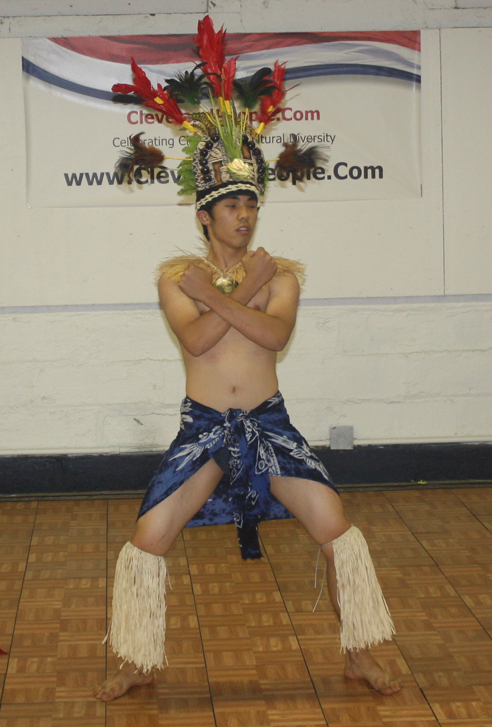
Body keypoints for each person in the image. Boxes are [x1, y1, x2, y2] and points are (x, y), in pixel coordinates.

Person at [94, 17, 401, 702]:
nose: (243, 215)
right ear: (205, 213)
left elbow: (272, 337)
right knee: (149, 535)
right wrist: (230, 291)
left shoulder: (282, 273)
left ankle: (362, 651)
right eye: (231, 204)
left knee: (336, 529)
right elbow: (198, 342)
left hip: (270, 424)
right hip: (204, 427)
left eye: (250, 203)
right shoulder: (177, 273)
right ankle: (138, 659)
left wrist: (244, 288)